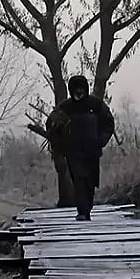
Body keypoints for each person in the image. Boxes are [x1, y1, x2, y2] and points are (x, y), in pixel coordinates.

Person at [48, 75, 115, 221]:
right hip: (73, 151)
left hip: (92, 150)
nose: (79, 91)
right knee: (79, 179)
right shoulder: (65, 107)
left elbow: (108, 123)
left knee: (90, 182)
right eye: (76, 89)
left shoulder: (96, 105)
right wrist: (59, 146)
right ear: (71, 90)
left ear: (85, 89)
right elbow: (51, 125)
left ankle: (87, 210)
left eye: (81, 88)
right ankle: (82, 212)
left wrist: (101, 140)